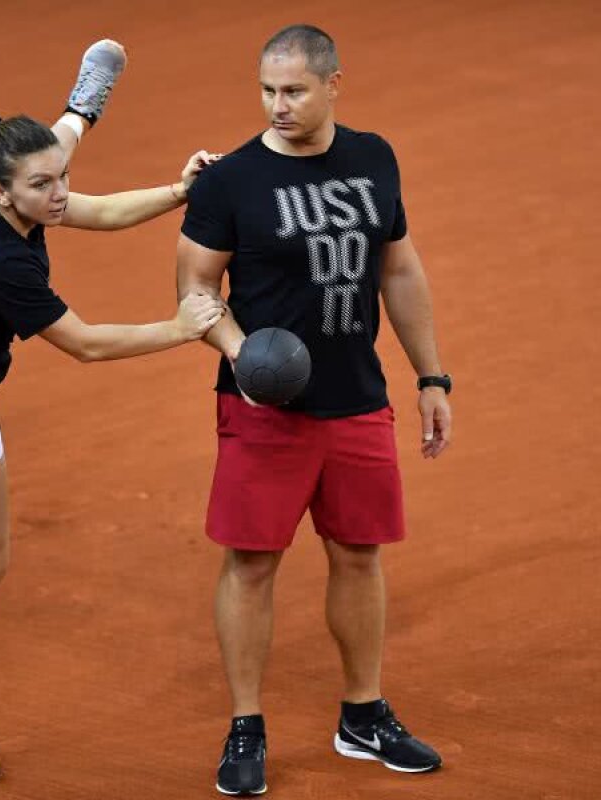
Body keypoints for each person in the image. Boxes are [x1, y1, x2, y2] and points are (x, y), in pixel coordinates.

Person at [0, 40, 224, 782]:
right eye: (44, 185)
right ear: (4, 195)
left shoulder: (9, 185)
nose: (61, 191)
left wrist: (176, 190)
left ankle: (85, 93)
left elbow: (87, 198)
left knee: (71, 128)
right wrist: (180, 328)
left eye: (60, 175)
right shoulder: (2, 262)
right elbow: (86, 346)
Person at [176, 24, 452, 795]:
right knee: (252, 563)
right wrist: (243, 355)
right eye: (267, 91)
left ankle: (362, 714)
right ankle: (245, 725)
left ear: (334, 84)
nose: (278, 105)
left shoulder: (374, 158)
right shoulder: (230, 180)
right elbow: (195, 292)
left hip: (357, 399)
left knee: (360, 553)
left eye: (294, 90)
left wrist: (433, 377)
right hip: (265, 411)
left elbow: (398, 268)